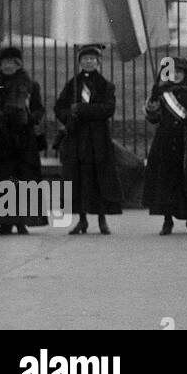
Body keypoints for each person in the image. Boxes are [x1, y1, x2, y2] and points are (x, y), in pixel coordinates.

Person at [53, 44, 122, 235]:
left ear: (98, 62)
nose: (88, 62)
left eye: (92, 59)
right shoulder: (72, 84)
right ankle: (81, 219)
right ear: (80, 62)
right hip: (77, 139)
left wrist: (82, 110)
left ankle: (102, 218)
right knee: (78, 179)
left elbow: (107, 109)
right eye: (85, 59)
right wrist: (69, 114)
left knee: (99, 178)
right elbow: (59, 107)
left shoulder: (106, 85)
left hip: (97, 140)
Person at [0, 46, 46, 235]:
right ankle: (3, 221)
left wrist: (30, 119)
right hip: (0, 141)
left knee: (22, 179)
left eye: (11, 62)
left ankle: (21, 220)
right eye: (4, 63)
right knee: (0, 180)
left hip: (23, 140)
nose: (7, 66)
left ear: (19, 64)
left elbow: (38, 109)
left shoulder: (30, 85)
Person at [143, 56, 187, 235]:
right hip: (165, 143)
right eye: (172, 72)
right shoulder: (160, 93)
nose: (176, 75)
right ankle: (167, 221)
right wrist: (152, 107)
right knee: (166, 182)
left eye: (180, 72)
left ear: (186, 74)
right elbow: (154, 119)